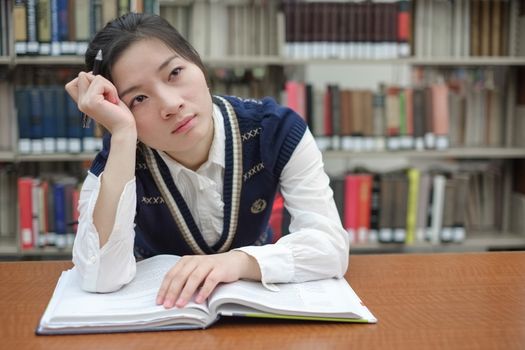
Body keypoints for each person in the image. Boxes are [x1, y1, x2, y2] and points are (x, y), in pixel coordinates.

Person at [66, 12, 349, 309]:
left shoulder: (274, 130)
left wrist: (238, 262)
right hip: (164, 314)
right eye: (138, 99)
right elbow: (99, 278)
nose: (171, 104)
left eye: (174, 73)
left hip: (255, 311)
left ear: (198, 64)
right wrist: (122, 134)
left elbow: (330, 246)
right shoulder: (120, 157)